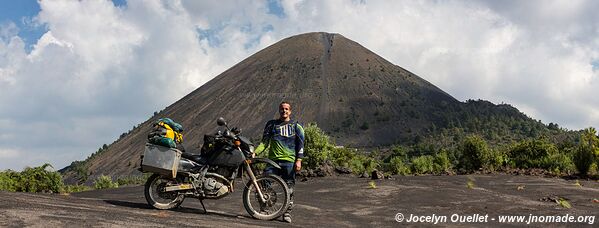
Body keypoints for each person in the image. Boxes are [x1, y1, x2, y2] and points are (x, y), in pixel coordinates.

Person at [254, 101, 304, 223]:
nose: (284, 111)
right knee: (264, 184)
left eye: (286, 109)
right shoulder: (271, 125)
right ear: (279, 110)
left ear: (290, 111)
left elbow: (301, 144)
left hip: (289, 161)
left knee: (289, 188)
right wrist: (255, 153)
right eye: (282, 109)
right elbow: (264, 142)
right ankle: (264, 209)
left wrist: (299, 160)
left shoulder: (296, 126)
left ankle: (287, 213)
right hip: (272, 161)